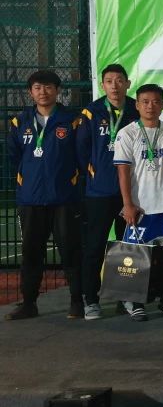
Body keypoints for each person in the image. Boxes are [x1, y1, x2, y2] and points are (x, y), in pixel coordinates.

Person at [5, 70, 83, 321]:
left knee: (71, 251)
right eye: (37, 87)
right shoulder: (19, 122)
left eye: (48, 87)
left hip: (64, 198)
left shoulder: (72, 120)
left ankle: (77, 302)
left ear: (58, 90)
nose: (43, 92)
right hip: (31, 199)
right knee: (31, 253)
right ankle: (29, 303)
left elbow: (81, 156)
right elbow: (15, 156)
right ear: (31, 92)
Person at [113, 84, 163, 321]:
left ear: (162, 104)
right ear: (137, 105)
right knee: (136, 257)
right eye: (145, 101)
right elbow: (122, 172)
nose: (150, 106)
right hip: (140, 208)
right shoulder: (127, 133)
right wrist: (127, 204)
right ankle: (134, 300)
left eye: (155, 101)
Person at [76, 63, 138, 320]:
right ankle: (91, 300)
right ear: (102, 85)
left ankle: (128, 297)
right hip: (99, 193)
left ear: (127, 83)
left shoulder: (137, 109)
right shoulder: (91, 112)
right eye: (109, 81)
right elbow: (81, 150)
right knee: (94, 247)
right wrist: (94, 174)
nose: (114, 85)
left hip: (131, 194)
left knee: (128, 248)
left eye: (119, 80)